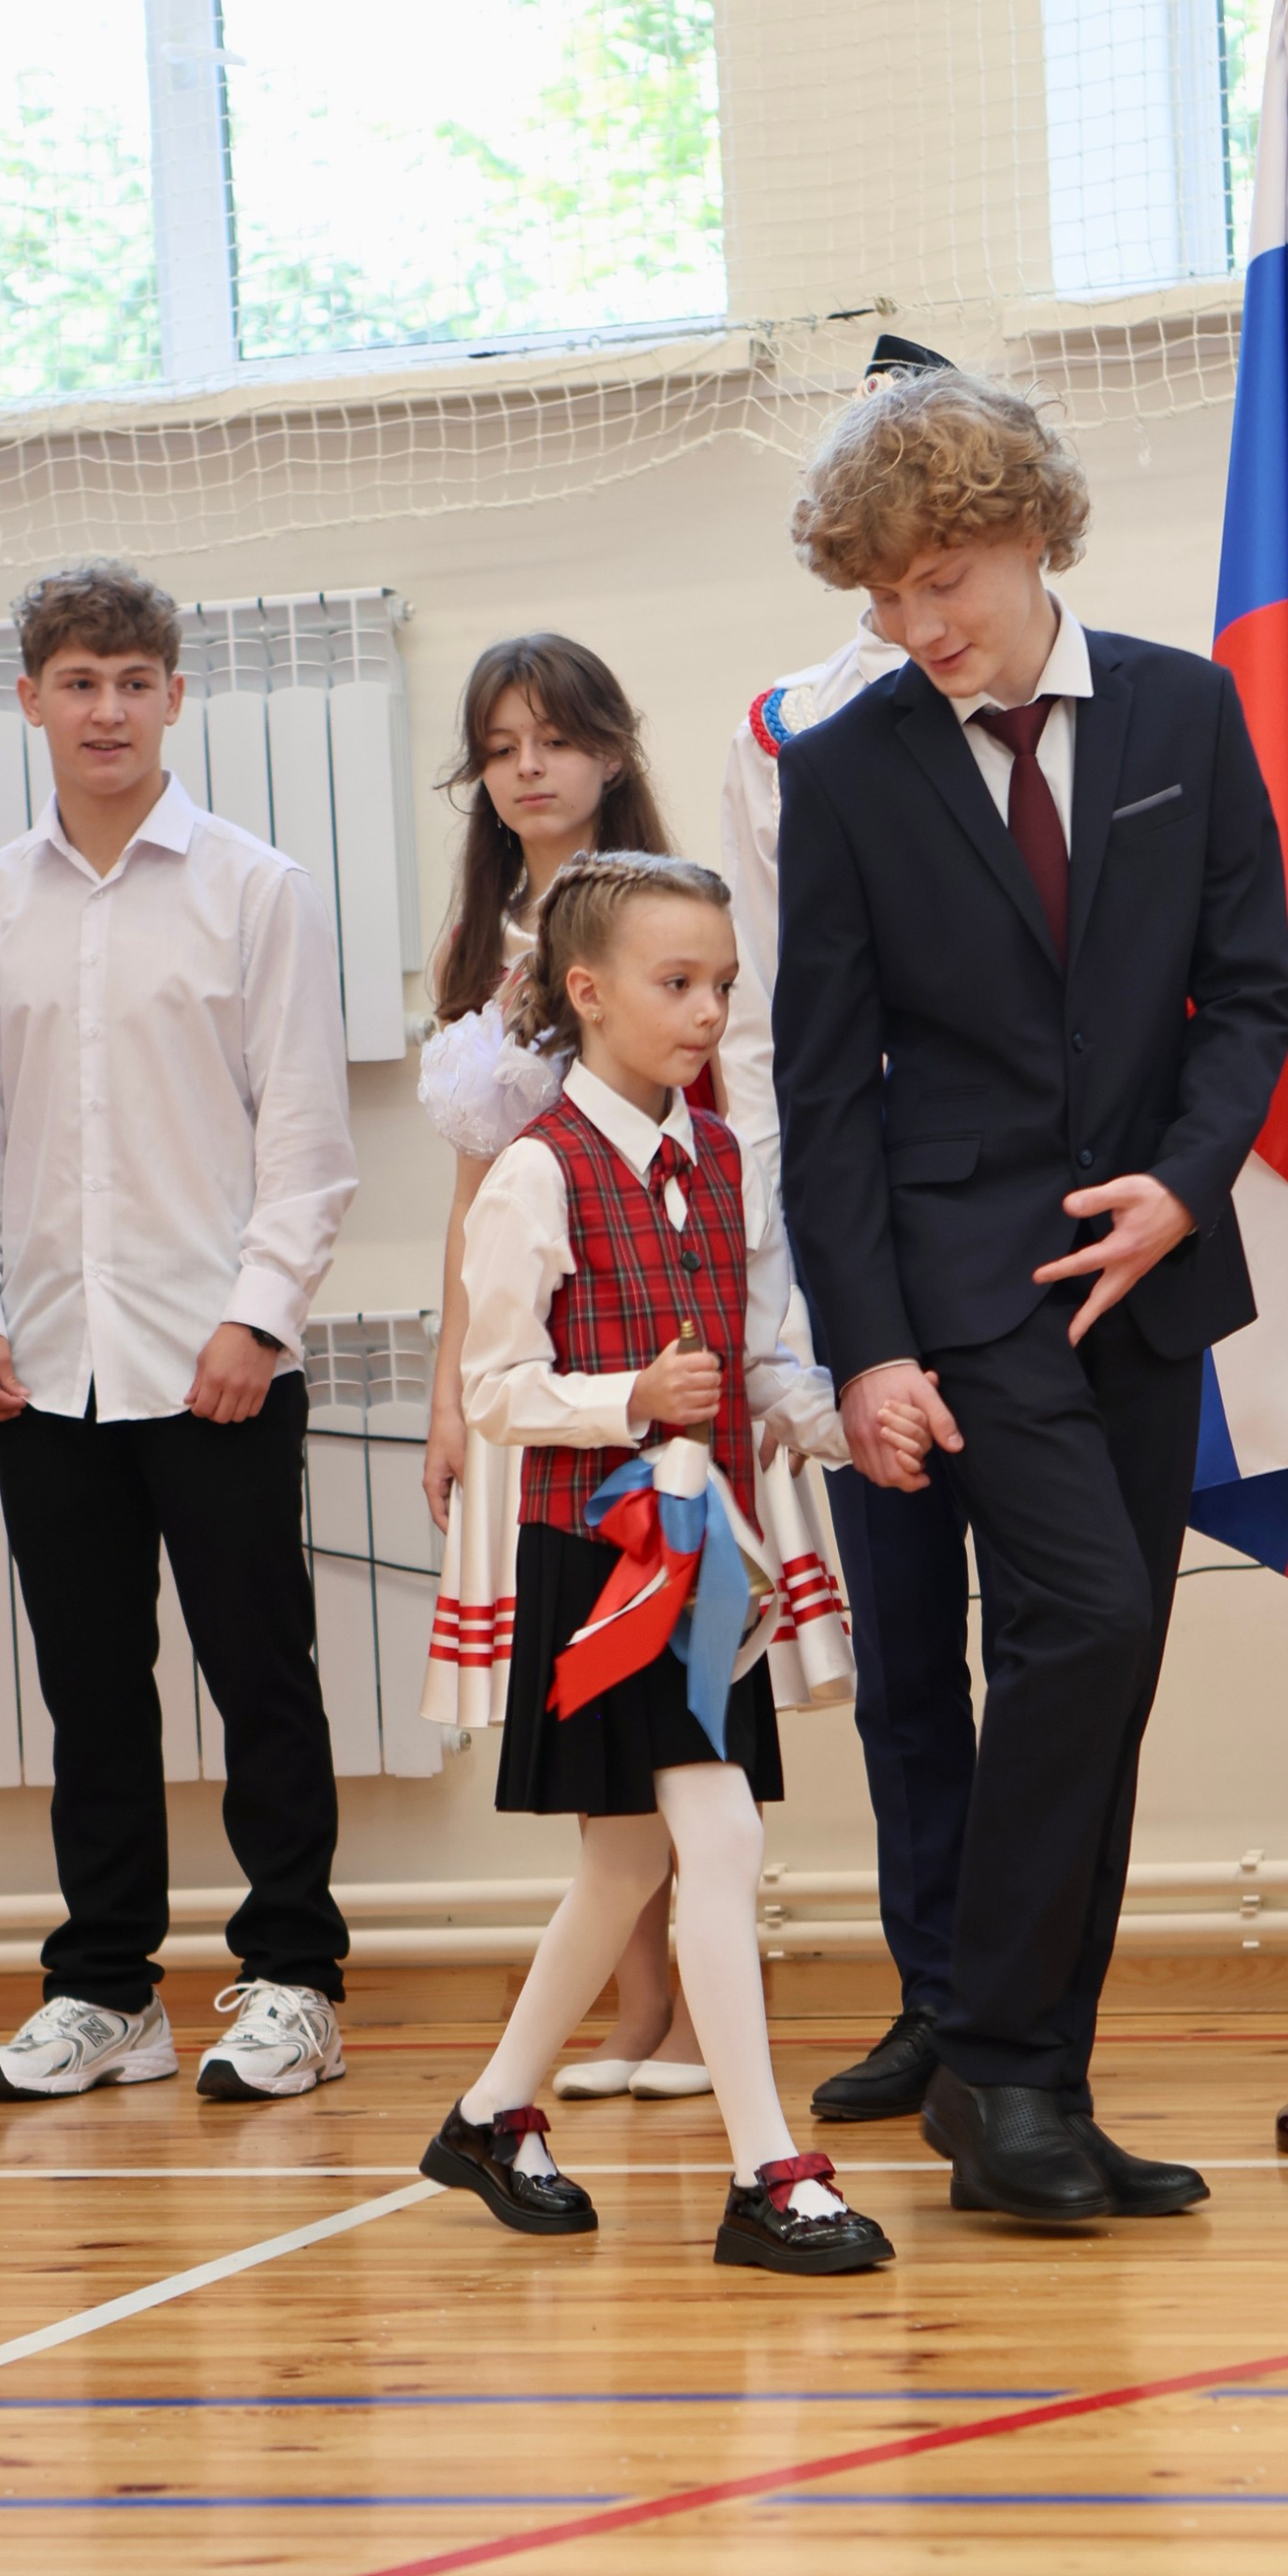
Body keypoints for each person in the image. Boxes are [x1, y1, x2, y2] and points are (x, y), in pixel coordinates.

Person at [773, 368, 1288, 2225]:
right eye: (886, 602)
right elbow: (825, 1090)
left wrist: (1185, 1182)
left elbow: (1252, 992)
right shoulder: (843, 769)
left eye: (944, 585)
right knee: (1080, 1624)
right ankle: (991, 2058)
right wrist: (866, 1351)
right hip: (962, 1279)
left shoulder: (1186, 708)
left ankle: (1040, 2103)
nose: (919, 632)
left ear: (1028, 532)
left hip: (1149, 1268)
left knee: (1111, 1667)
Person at [419, 852, 891, 2276]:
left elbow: (755, 1361)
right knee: (723, 1837)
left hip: (708, 1556)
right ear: (588, 992)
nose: (705, 1012)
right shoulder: (530, 1177)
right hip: (609, 1561)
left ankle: (495, 2110)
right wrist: (625, 1399)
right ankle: (768, 2168)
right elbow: (497, 1388)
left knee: (628, 1861)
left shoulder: (726, 1161)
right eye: (677, 984)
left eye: (722, 987)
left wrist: (850, 1421)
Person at [0, 558, 356, 2104]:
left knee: (263, 1676)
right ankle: (109, 1990)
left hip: (216, 1364)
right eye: (76, 682)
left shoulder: (256, 886)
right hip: (43, 1368)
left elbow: (307, 1139)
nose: (106, 709)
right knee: (90, 1686)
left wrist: (257, 1319)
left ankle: (294, 1977)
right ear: (29, 699)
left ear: (177, 696)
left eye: (133, 681)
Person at [718, 330, 984, 2129]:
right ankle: (937, 1991)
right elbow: (762, 1040)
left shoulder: (1070, 689)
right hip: (869, 1236)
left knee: (1059, 1643)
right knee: (902, 1656)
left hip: (1033, 1233)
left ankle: (1033, 1991)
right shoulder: (796, 727)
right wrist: (788, 1305)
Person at [415, 635, 706, 2097]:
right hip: (534, 1361)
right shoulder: (482, 941)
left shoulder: (664, 915)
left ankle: (688, 2015)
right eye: (500, 744)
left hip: (644, 1354)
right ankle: (638, 2012)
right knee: (593, 1696)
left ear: (610, 748)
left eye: (555, 738)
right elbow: (473, 1202)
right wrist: (446, 1392)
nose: (528, 767)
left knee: (676, 1692)